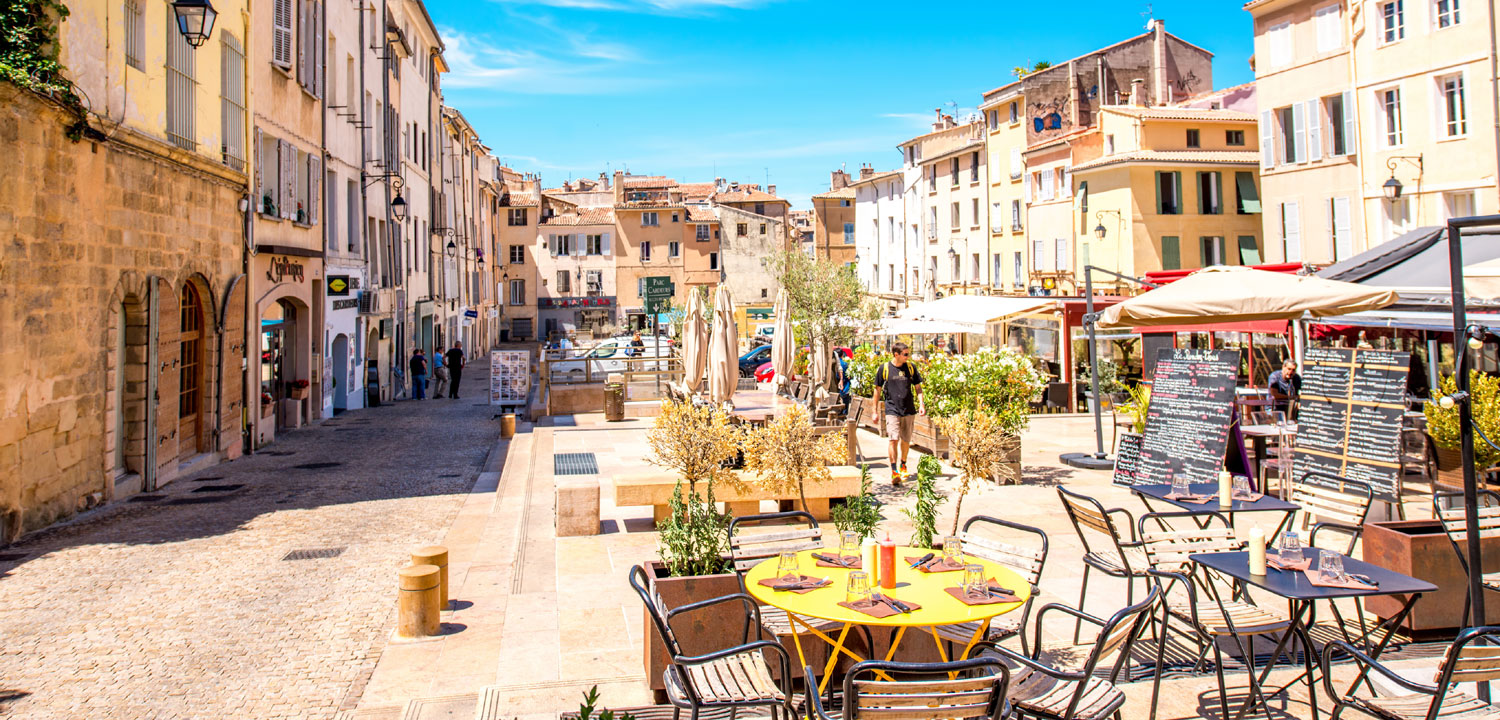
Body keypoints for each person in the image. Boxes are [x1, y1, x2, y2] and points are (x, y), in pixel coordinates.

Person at [874, 342, 924, 486]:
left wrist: (921, 404)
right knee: (893, 439)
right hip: (892, 409)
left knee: (906, 439)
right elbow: (877, 390)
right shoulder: (884, 368)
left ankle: (903, 464)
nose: (908, 357)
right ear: (896, 354)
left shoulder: (910, 368)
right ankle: (894, 470)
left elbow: (918, 388)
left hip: (908, 408)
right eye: (905, 354)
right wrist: (874, 411)